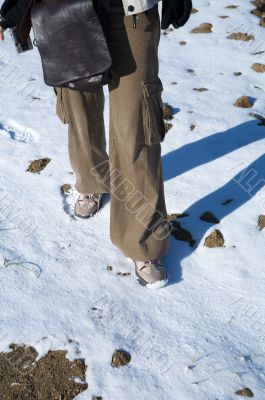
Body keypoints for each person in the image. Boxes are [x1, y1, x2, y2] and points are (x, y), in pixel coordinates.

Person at [0, 0, 192, 289]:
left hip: (132, 12)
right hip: (64, 10)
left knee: (136, 124)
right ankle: (91, 180)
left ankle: (143, 241)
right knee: (79, 109)